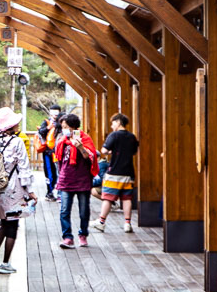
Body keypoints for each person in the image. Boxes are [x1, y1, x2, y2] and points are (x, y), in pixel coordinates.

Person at [0, 107, 36, 274]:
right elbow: (23, 168)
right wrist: (30, 191)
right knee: (12, 224)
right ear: (11, 126)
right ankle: (5, 263)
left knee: (6, 223)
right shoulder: (17, 142)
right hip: (12, 188)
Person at [53, 113, 97, 249]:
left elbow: (90, 157)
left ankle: (83, 234)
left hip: (82, 180)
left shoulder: (85, 139)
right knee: (64, 210)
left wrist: (80, 147)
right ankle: (67, 237)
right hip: (66, 179)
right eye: (62, 127)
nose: (64, 130)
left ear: (73, 127)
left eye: (66, 127)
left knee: (84, 210)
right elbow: (59, 160)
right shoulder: (62, 140)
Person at [91, 113, 139, 233]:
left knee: (108, 197)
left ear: (118, 122)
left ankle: (101, 222)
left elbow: (104, 150)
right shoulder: (132, 137)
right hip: (128, 172)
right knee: (126, 198)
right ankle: (127, 223)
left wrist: (110, 152)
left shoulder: (114, 135)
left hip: (114, 172)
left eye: (113, 123)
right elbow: (134, 151)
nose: (112, 126)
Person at [35, 104, 60, 201]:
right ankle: (49, 192)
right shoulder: (46, 122)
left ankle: (58, 192)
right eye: (53, 113)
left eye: (57, 113)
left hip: (58, 152)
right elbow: (41, 132)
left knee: (59, 173)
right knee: (50, 172)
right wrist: (48, 128)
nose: (55, 115)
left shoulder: (62, 122)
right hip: (48, 152)